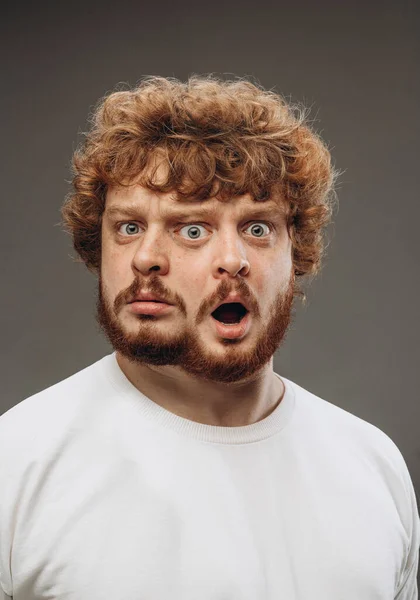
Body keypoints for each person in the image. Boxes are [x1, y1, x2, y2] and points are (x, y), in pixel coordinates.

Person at [0, 76, 418, 600]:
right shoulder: (16, 462)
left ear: (297, 253)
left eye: (257, 229)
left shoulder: (372, 466)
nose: (232, 260)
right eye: (127, 228)